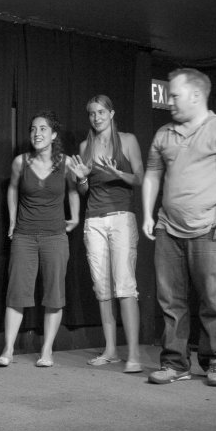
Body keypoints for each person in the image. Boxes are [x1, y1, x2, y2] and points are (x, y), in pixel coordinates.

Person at [142, 68, 216, 387]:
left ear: (196, 95)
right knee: (170, 300)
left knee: (213, 298)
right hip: (169, 228)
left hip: (210, 228)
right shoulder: (164, 133)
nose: (170, 102)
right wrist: (147, 214)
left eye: (175, 96)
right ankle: (175, 363)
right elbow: (153, 173)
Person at [0, 111, 79, 368]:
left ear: (53, 135)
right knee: (17, 292)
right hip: (24, 235)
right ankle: (8, 350)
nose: (37, 133)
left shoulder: (66, 163)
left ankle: (47, 350)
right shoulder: (20, 162)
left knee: (54, 294)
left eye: (42, 129)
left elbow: (74, 190)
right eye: (33, 129)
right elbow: (12, 189)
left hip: (55, 236)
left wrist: (75, 216)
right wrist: (12, 220)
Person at [69, 95, 143, 373]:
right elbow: (83, 190)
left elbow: (140, 178)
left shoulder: (128, 140)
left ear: (111, 114)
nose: (96, 117)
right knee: (102, 287)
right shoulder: (85, 146)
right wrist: (81, 178)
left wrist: (118, 172)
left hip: (122, 217)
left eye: (101, 112)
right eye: (92, 113)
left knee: (125, 286)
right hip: (94, 220)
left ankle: (133, 354)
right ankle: (111, 350)